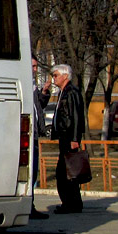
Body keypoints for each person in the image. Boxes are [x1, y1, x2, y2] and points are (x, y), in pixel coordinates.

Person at [50, 63, 86, 214]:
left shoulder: (71, 92)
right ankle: (71, 203)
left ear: (65, 76)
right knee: (66, 171)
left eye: (56, 75)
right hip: (63, 136)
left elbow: (76, 116)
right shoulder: (63, 92)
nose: (54, 78)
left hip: (69, 137)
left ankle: (71, 203)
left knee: (67, 171)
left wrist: (75, 138)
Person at [28, 58, 49, 219]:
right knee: (30, 171)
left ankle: (31, 204)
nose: (35, 69)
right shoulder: (24, 83)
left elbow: (38, 107)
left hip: (34, 134)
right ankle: (29, 205)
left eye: (36, 67)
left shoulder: (33, 85)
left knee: (34, 172)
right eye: (33, 66)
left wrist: (43, 93)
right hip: (27, 134)